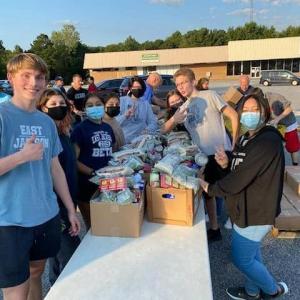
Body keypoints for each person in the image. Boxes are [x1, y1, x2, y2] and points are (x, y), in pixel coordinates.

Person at [0, 53, 80, 300]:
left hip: (45, 216)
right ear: (11, 78)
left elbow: (55, 168)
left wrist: (69, 208)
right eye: (26, 75)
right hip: (10, 221)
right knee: (15, 289)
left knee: (37, 272)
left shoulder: (45, 122)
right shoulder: (3, 116)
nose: (34, 82)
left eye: (39, 77)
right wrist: (21, 156)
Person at [199, 92, 288, 299]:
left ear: (264, 112)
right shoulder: (249, 137)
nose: (249, 114)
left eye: (254, 110)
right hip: (244, 207)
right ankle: (252, 291)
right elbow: (239, 170)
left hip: (256, 210)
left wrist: (209, 188)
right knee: (252, 254)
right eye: (245, 110)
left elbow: (240, 178)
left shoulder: (267, 141)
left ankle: (272, 290)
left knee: (242, 259)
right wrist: (224, 164)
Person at [171, 68, 238, 242]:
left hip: (221, 153)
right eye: (178, 84)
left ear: (193, 81)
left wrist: (234, 143)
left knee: (231, 191)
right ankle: (215, 229)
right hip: (202, 158)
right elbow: (164, 129)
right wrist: (173, 120)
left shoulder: (210, 95)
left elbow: (233, 115)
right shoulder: (183, 108)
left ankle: (239, 224)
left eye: (184, 82)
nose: (181, 87)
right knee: (208, 193)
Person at [37, 88, 81, 285]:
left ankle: (55, 286)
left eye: (61, 104)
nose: (58, 107)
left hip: (67, 202)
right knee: (73, 256)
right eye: (52, 105)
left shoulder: (63, 133)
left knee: (57, 255)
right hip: (56, 206)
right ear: (42, 108)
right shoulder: (44, 136)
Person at [71, 93, 116, 229]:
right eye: (90, 106)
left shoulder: (107, 127)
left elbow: (111, 152)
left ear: (103, 107)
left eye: (98, 104)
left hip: (107, 182)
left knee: (109, 222)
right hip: (87, 184)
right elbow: (74, 160)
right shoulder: (80, 129)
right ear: (85, 109)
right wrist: (93, 172)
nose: (94, 108)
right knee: (94, 226)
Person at [116, 76, 158, 144]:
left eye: (139, 87)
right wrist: (125, 116)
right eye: (135, 87)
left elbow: (153, 122)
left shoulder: (145, 104)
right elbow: (114, 122)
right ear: (130, 88)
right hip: (124, 140)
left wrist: (146, 130)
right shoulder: (121, 101)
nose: (137, 89)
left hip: (140, 140)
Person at [265, 91, 300, 166]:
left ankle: (295, 165)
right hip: (276, 126)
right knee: (277, 147)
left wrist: (277, 119)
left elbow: (289, 109)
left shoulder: (276, 97)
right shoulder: (259, 102)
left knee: (293, 147)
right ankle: (278, 166)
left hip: (288, 125)